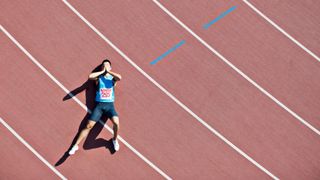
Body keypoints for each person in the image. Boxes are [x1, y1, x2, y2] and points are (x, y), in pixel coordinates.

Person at [69, 59, 122, 155]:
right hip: (99, 107)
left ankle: (114, 140)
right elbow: (90, 76)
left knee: (116, 123)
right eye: (103, 66)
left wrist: (108, 71)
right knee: (88, 126)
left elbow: (120, 77)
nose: (105, 67)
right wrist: (102, 71)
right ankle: (75, 146)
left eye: (107, 65)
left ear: (110, 67)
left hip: (110, 106)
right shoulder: (98, 78)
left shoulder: (113, 79)